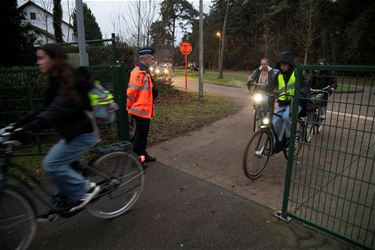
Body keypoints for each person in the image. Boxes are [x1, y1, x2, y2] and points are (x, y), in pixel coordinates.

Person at [13, 44, 100, 217]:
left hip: (84, 134)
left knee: (51, 164)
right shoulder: (56, 80)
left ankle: (85, 190)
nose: (38, 62)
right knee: (58, 164)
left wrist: (28, 129)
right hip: (72, 133)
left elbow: (55, 111)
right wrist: (16, 126)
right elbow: (43, 108)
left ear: (54, 59)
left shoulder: (72, 82)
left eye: (41, 58)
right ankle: (65, 198)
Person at [266, 51, 309, 149]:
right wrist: (261, 90)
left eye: (284, 64)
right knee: (274, 122)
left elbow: (305, 86)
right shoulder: (279, 75)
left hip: (296, 103)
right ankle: (272, 144)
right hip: (282, 103)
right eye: (281, 65)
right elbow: (271, 85)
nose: (282, 67)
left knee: (286, 117)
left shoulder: (296, 73)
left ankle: (290, 139)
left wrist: (301, 93)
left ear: (289, 64)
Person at [127, 48, 157, 163]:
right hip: (139, 110)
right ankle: (135, 160)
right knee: (140, 137)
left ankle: (143, 155)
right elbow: (131, 93)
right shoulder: (138, 72)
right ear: (146, 58)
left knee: (142, 136)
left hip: (145, 110)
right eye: (152, 58)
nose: (153, 61)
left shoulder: (145, 71)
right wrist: (130, 107)